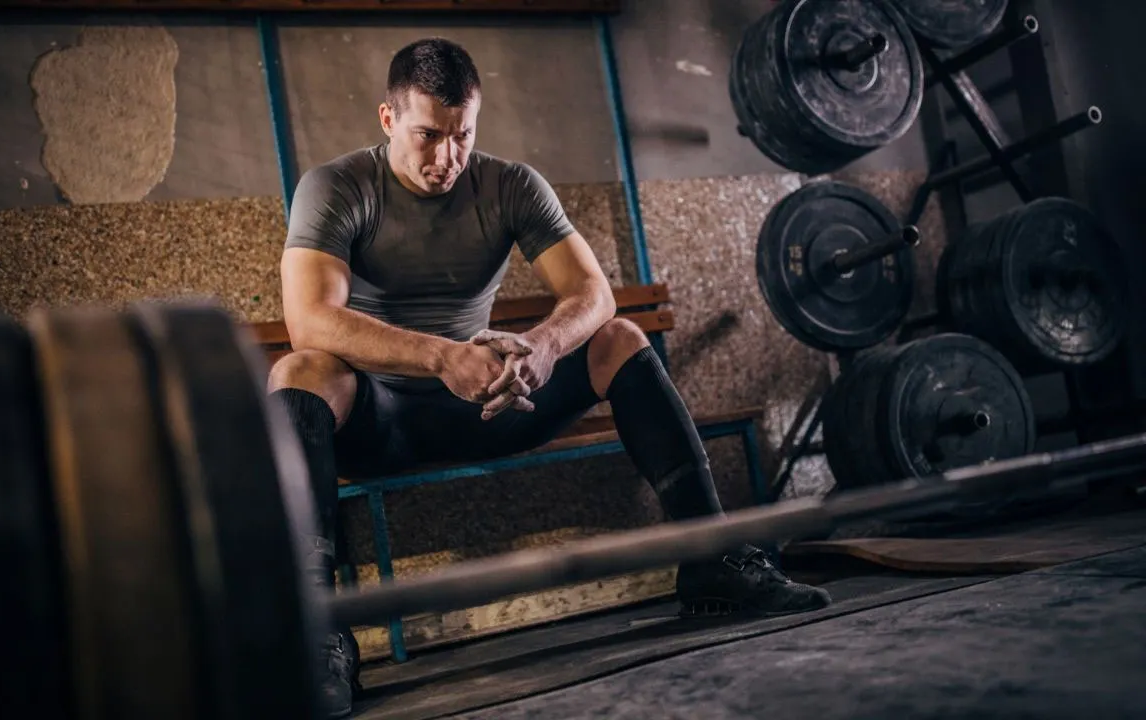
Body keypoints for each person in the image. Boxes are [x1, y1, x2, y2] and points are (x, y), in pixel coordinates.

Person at [268, 37, 832, 718]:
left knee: (618, 338)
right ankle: (319, 632)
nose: (446, 157)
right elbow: (310, 321)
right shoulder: (337, 186)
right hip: (384, 419)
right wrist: (443, 357)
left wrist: (539, 347)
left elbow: (592, 294)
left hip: (495, 404)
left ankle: (710, 556)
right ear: (387, 120)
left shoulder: (510, 184)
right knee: (300, 370)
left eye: (462, 135)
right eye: (427, 135)